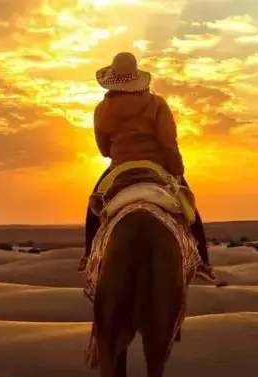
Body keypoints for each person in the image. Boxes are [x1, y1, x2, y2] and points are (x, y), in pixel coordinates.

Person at [79, 52, 213, 279]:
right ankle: (202, 263)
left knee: (94, 210)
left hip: (119, 167)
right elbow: (168, 142)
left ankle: (89, 255)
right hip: (157, 165)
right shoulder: (157, 103)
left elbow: (103, 149)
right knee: (189, 208)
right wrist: (177, 171)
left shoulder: (102, 109)